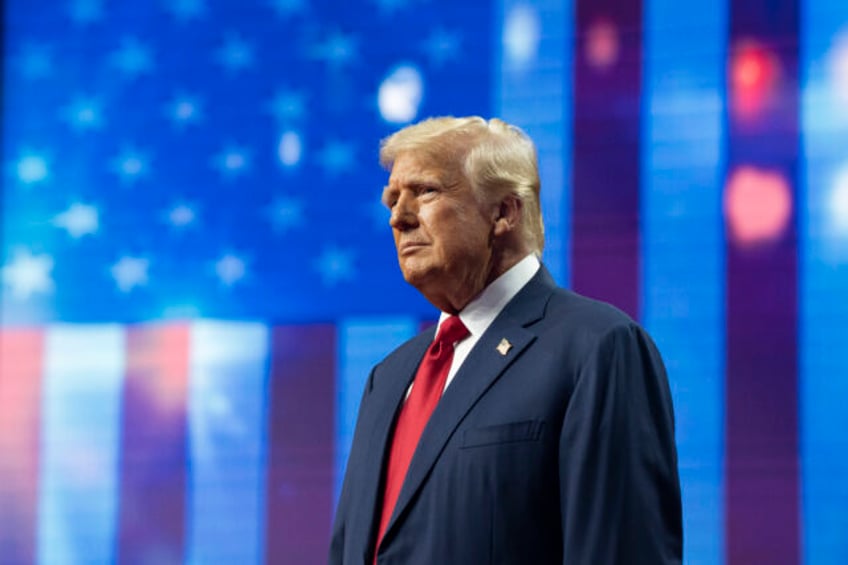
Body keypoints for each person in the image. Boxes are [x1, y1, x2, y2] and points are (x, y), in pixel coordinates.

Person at [329, 116, 682, 564]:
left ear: (503, 212)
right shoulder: (389, 377)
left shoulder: (597, 348)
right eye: (393, 199)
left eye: (426, 191)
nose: (398, 217)